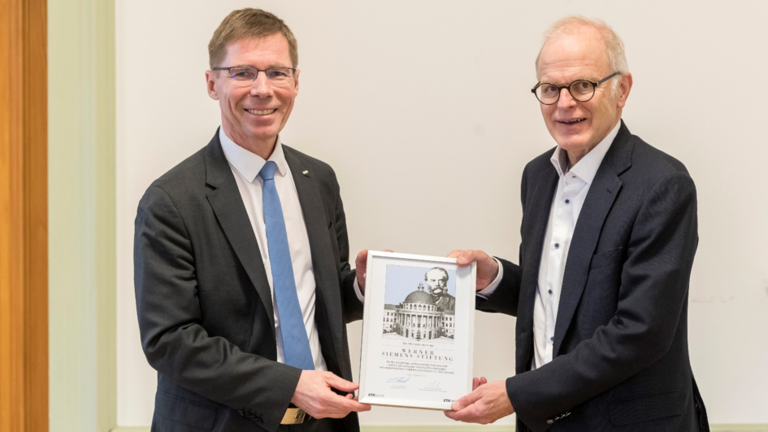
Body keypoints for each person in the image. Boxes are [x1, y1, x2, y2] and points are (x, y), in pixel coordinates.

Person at [444, 16, 709, 432]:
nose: (565, 103)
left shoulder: (662, 185)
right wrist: (494, 278)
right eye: (550, 89)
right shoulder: (538, 176)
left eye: (583, 85)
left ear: (622, 90)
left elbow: (639, 332)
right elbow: (562, 300)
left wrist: (516, 394)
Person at [134, 8, 370, 432]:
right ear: (212, 83)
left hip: (323, 423)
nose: (263, 89)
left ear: (296, 82)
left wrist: (360, 286)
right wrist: (290, 385)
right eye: (243, 72)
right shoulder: (171, 200)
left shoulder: (319, 181)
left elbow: (318, 300)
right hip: (222, 424)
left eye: (277, 72)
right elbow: (170, 341)